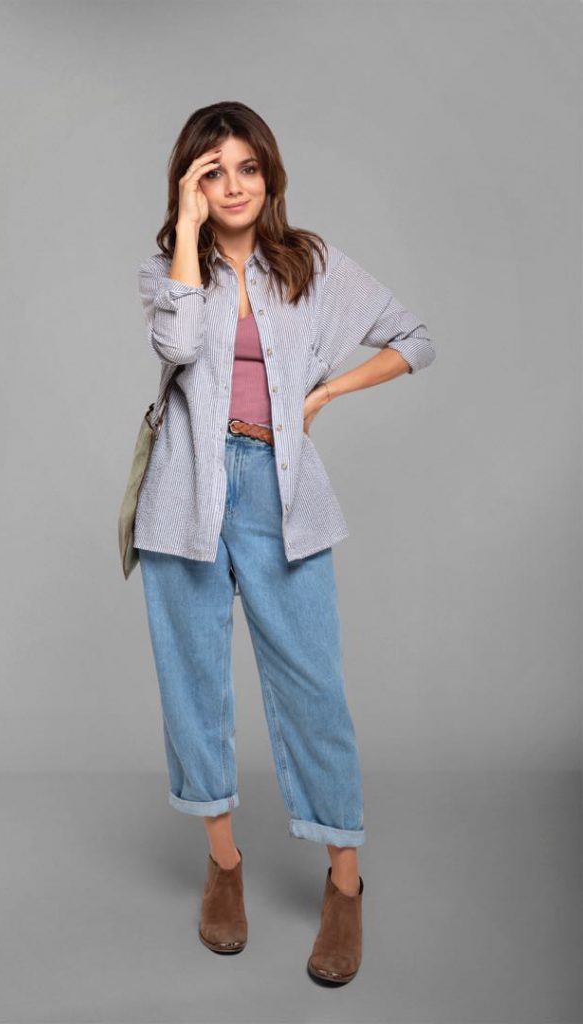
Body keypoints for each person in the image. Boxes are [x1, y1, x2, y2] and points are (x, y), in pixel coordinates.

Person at [132, 101, 436, 984]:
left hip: (280, 491)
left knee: (313, 690)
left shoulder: (310, 263)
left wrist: (324, 394)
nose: (233, 186)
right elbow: (177, 342)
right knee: (193, 689)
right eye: (211, 172)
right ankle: (224, 866)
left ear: (269, 175)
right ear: (189, 184)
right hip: (184, 497)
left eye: (247, 168)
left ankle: (344, 883)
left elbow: (414, 339)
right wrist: (187, 229)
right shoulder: (166, 269)